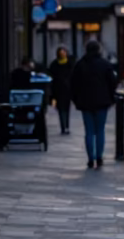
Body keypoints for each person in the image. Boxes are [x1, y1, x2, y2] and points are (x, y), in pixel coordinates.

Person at [70, 39, 117, 169]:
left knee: (89, 131)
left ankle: (90, 159)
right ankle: (99, 157)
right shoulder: (105, 64)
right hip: (102, 102)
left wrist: (76, 100)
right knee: (100, 131)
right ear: (99, 50)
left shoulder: (80, 65)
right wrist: (111, 98)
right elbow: (113, 83)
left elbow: (73, 84)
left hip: (85, 103)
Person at [48, 46, 73, 134]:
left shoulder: (70, 63)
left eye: (64, 52)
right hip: (58, 90)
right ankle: (64, 126)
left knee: (67, 108)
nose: (62, 54)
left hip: (68, 90)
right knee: (61, 109)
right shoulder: (54, 64)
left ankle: (66, 126)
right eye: (61, 53)